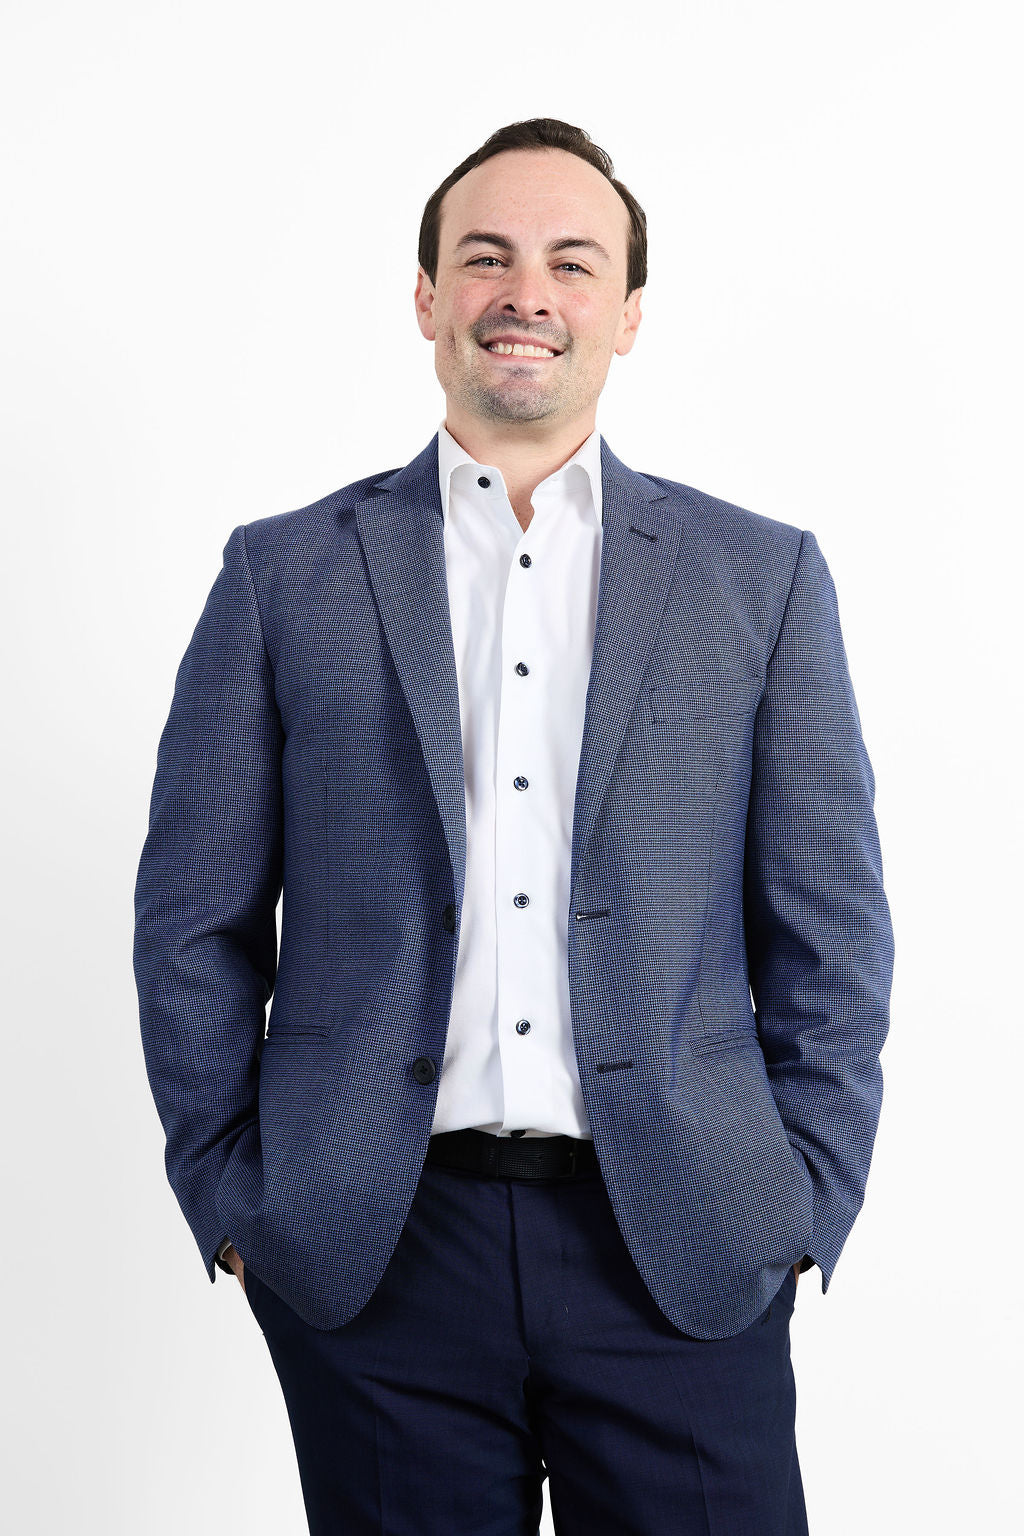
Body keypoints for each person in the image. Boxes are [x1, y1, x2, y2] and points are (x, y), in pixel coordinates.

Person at [134, 117, 894, 1534]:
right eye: (484, 257)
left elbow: (830, 928)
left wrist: (803, 1199)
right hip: (378, 1251)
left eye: (570, 261)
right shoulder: (283, 576)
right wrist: (239, 1200)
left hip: (678, 1244)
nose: (524, 294)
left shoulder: (759, 579)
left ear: (627, 312)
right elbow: (193, 920)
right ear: (426, 298)